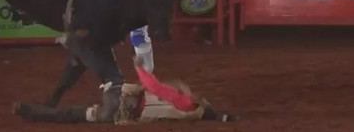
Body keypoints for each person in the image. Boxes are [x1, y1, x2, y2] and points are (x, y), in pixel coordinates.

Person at [12, 55, 238, 124]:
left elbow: (154, 86)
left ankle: (83, 54)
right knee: (75, 114)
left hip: (118, 101)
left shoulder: (184, 102)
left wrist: (138, 68)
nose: (202, 95)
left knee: (110, 72)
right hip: (113, 115)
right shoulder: (186, 109)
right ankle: (29, 111)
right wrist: (222, 116)